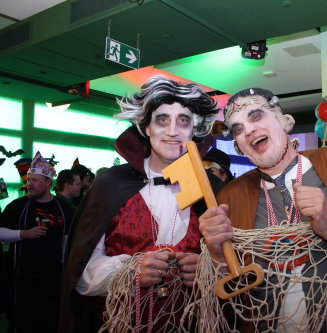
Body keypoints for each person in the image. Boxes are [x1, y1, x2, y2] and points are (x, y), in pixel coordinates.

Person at [199, 88, 327, 332]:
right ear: (238, 145)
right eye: (237, 128)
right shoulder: (231, 196)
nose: (247, 130)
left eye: (256, 116)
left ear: (283, 121)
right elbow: (230, 297)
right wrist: (216, 257)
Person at [59, 76, 220, 333]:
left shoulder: (209, 188)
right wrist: (129, 270)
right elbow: (81, 276)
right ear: (146, 128)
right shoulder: (110, 184)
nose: (172, 131)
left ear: (194, 130)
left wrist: (206, 270)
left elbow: (231, 269)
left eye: (184, 120)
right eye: (162, 119)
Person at [0, 152, 74, 333]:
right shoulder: (18, 206)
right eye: (29, 179)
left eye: (34, 180)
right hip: (22, 281)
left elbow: (68, 239)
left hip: (54, 281)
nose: (29, 184)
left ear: (48, 182)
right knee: (22, 324)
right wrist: (23, 234)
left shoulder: (64, 208)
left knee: (50, 323)